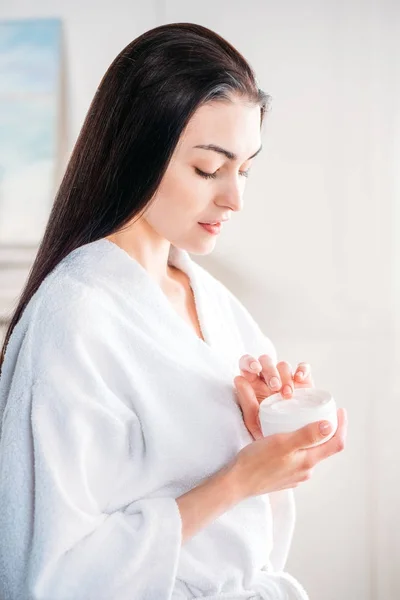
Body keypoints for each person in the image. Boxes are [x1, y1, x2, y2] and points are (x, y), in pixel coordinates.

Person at [0, 22, 347, 600]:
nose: (234, 198)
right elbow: (50, 577)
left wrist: (269, 433)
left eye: (246, 169)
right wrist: (238, 479)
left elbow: (232, 529)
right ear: (139, 151)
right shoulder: (74, 320)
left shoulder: (212, 302)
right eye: (209, 169)